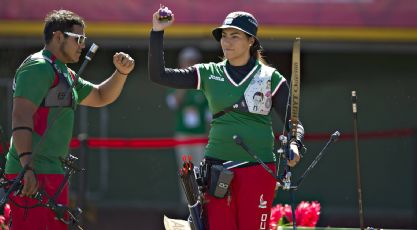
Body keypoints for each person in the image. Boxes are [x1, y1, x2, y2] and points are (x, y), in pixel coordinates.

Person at [149, 7, 304, 230]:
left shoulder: (270, 77)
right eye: (224, 36)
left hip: (258, 169)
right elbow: (158, 75)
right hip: (217, 169)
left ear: (251, 41)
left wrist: (294, 143)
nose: (226, 42)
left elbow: (294, 124)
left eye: (235, 36)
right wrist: (157, 32)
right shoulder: (209, 72)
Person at [5, 9, 134, 229]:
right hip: (30, 175)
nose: (83, 45)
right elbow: (20, 115)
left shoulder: (64, 72)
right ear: (58, 37)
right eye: (79, 39)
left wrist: (121, 73)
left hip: (52, 175)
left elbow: (101, 95)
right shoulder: (38, 67)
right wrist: (27, 167)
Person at [165, 47, 210, 204]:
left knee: (200, 170)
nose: (190, 64)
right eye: (187, 61)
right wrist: (184, 82)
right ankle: (187, 206)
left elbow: (209, 115)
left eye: (193, 61)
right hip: (183, 135)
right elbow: (173, 103)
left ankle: (201, 204)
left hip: (200, 136)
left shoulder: (204, 85)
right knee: (185, 171)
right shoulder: (176, 81)